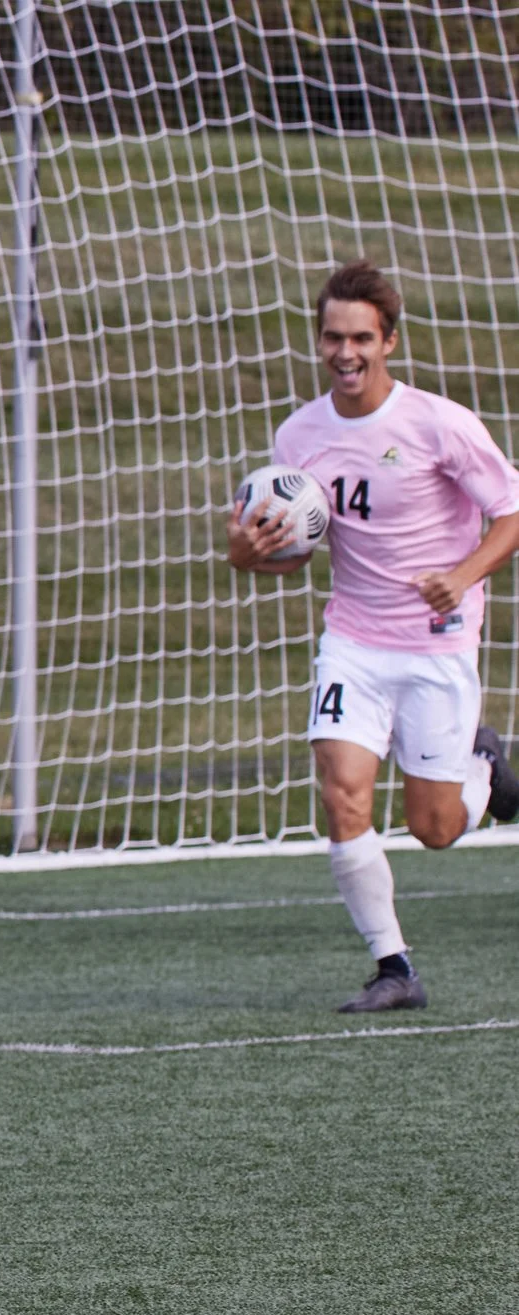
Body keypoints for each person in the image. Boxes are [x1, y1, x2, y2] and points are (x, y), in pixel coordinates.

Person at [228, 262, 519, 1012]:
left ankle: (485, 765)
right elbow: (285, 554)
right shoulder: (299, 436)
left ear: (389, 340)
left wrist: (461, 575)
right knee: (342, 792)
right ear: (320, 340)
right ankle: (395, 968)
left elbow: (511, 514)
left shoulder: (438, 424)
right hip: (353, 642)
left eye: (362, 337)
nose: (346, 352)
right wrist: (246, 554)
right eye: (333, 336)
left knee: (436, 828)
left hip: (437, 643)